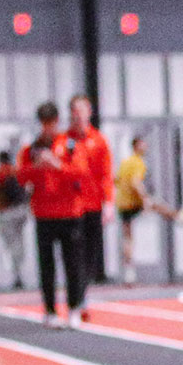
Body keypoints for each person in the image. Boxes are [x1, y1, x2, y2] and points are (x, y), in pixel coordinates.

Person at [18, 102, 90, 326]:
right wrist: (37, 167)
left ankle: (75, 308)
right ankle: (49, 310)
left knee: (73, 263)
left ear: (57, 122)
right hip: (44, 214)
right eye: (43, 124)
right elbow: (21, 177)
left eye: (51, 123)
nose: (47, 128)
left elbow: (81, 173)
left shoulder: (70, 145)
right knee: (46, 265)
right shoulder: (31, 150)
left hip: (70, 212)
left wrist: (57, 165)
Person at [68, 94, 113, 285]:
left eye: (82, 110)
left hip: (92, 204)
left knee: (90, 250)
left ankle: (83, 288)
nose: (78, 115)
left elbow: (106, 174)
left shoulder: (99, 141)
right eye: (74, 111)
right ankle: (76, 289)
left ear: (89, 112)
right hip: (70, 207)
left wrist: (109, 202)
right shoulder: (64, 141)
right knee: (72, 250)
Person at [113, 134, 169, 285]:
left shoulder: (125, 162)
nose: (146, 147)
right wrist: (145, 199)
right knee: (157, 203)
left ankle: (129, 273)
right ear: (136, 146)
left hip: (122, 203)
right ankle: (175, 215)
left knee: (128, 238)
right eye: (143, 144)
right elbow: (135, 182)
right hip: (132, 203)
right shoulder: (138, 162)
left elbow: (116, 180)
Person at [0, 148, 30, 289]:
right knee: (19, 244)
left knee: (12, 245)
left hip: (6, 212)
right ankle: (19, 273)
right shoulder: (16, 171)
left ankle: (17, 274)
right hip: (21, 211)